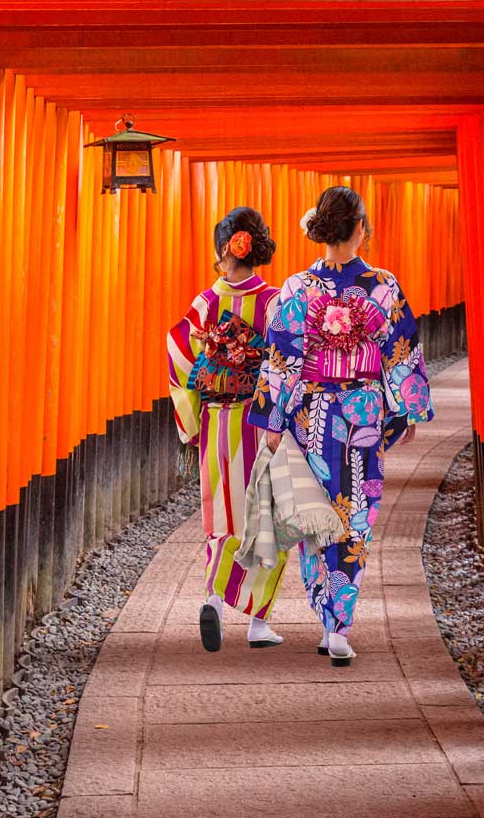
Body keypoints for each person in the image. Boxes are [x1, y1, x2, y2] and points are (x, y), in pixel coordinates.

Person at [248, 186, 434, 667]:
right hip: (362, 414)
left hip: (311, 415)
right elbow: (401, 350)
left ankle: (327, 614)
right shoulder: (383, 286)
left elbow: (281, 357)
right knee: (355, 517)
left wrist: (274, 419)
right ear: (360, 230)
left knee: (317, 515)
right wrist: (408, 407)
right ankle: (337, 626)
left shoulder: (297, 288)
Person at [166, 206, 289, 652]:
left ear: (224, 250)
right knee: (268, 515)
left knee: (222, 511)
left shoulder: (205, 304)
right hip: (262, 422)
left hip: (218, 420)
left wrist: (192, 422)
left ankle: (214, 598)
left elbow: (179, 354)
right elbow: (285, 363)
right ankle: (258, 623)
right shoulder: (274, 302)